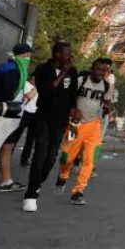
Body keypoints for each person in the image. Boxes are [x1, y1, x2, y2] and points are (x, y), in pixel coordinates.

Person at [22, 42, 79, 213]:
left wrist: (74, 113)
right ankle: (30, 195)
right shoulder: (42, 69)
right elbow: (46, 91)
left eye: (70, 53)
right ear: (57, 54)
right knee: (40, 154)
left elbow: (72, 95)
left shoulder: (73, 72)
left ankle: (37, 182)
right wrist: (63, 73)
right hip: (43, 118)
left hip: (61, 120)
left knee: (52, 156)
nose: (69, 57)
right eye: (66, 54)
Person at [54, 59, 113, 206]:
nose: (100, 73)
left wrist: (108, 107)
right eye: (98, 70)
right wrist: (72, 112)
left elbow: (107, 101)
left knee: (90, 160)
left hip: (94, 126)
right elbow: (68, 98)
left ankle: (78, 192)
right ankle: (63, 174)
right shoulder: (80, 80)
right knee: (67, 157)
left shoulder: (106, 85)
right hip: (75, 125)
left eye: (103, 71)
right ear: (92, 68)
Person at [0, 43, 35, 192]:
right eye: (27, 55)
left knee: (7, 146)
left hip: (1, 112)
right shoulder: (12, 70)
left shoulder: (11, 68)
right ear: (23, 56)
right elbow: (8, 95)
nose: (28, 59)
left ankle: (6, 181)